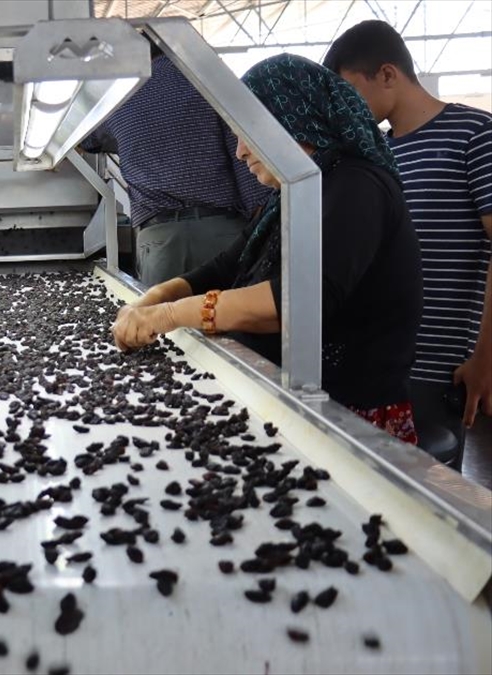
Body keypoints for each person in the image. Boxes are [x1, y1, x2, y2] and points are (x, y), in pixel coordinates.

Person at [111, 54, 423, 445]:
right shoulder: (290, 198)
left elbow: (298, 302)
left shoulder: (357, 187)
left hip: (351, 423)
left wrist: (172, 314)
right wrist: (154, 297)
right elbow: (222, 268)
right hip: (292, 400)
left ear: (293, 120)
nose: (240, 152)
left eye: (248, 133)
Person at [324, 19, 491, 461]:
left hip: (444, 361)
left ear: (387, 74)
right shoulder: (377, 152)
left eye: (350, 93)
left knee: (431, 488)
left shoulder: (476, 135)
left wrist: (484, 358)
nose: (348, 110)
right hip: (381, 359)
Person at [85, 43, 270, 286]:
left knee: (165, 319)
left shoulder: (118, 96)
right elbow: (246, 170)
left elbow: (88, 140)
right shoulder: (208, 82)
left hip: (160, 242)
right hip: (224, 235)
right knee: (227, 317)